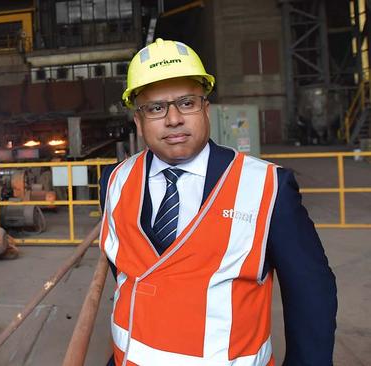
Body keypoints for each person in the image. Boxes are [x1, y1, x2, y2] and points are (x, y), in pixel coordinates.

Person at [99, 39, 337, 366]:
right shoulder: (114, 182)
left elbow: (311, 296)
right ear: (138, 121)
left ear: (205, 108)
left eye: (186, 103)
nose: (172, 119)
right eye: (155, 108)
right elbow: (128, 269)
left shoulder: (267, 188)